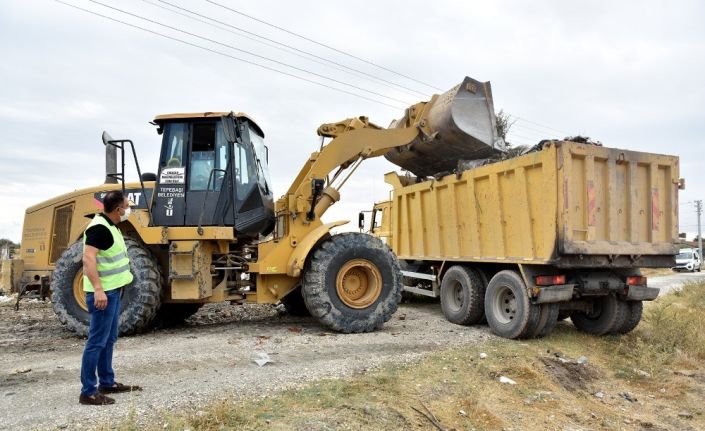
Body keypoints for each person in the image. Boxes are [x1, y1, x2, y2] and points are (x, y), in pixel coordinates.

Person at [79, 190, 141, 405]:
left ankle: (107, 381)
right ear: (118, 209)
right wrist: (98, 289)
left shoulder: (110, 224)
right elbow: (88, 260)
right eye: (127, 205)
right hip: (103, 294)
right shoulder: (98, 228)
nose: (129, 209)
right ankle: (88, 391)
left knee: (109, 338)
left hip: (113, 291)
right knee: (96, 342)